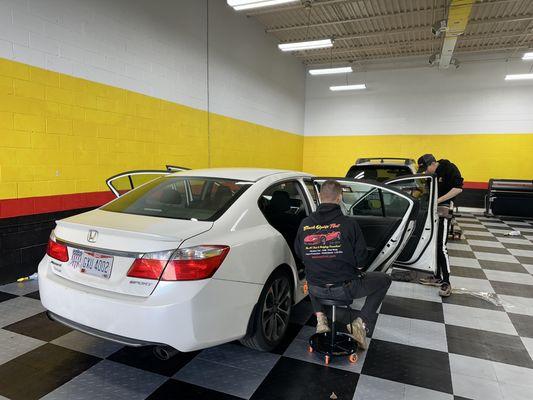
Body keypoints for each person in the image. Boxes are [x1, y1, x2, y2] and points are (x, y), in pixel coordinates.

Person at [294, 180, 392, 350]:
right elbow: (361, 260)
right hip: (344, 290)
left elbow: (299, 253)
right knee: (384, 279)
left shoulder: (305, 224)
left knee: (313, 274)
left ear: (319, 197)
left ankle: (320, 320)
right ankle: (360, 324)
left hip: (315, 289)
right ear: (339, 198)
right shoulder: (350, 224)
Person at [417, 154, 463, 297]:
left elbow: (458, 188)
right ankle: (437, 277)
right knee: (434, 245)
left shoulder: (449, 168)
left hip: (443, 211)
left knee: (441, 246)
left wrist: (438, 200)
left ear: (432, 164)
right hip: (432, 211)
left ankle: (447, 283)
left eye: (426, 169)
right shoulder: (432, 176)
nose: (425, 172)